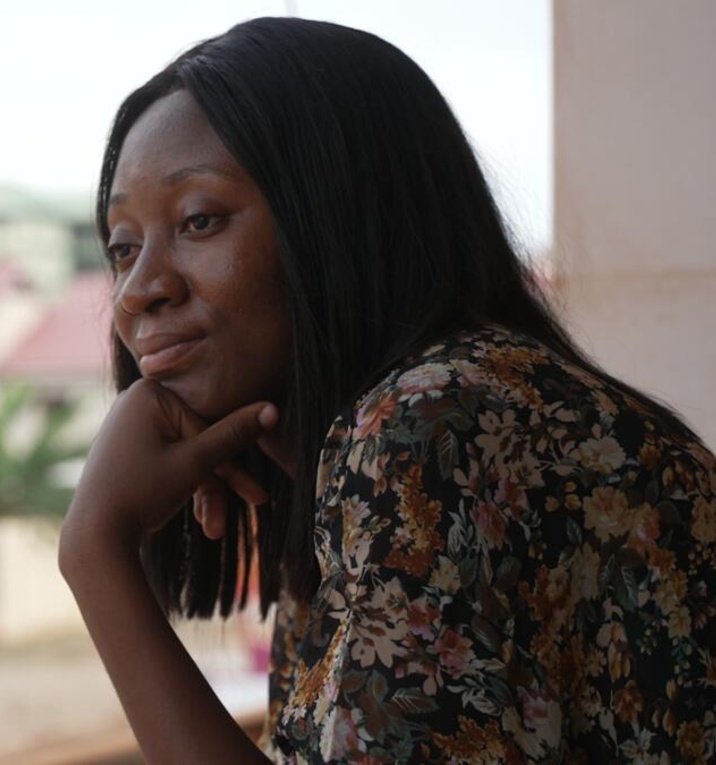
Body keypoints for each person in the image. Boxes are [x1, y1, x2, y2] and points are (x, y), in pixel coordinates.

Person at [58, 16, 716, 764]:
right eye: (122, 247)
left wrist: (95, 553)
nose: (140, 289)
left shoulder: (441, 425)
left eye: (200, 220)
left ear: (337, 217)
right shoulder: (361, 470)